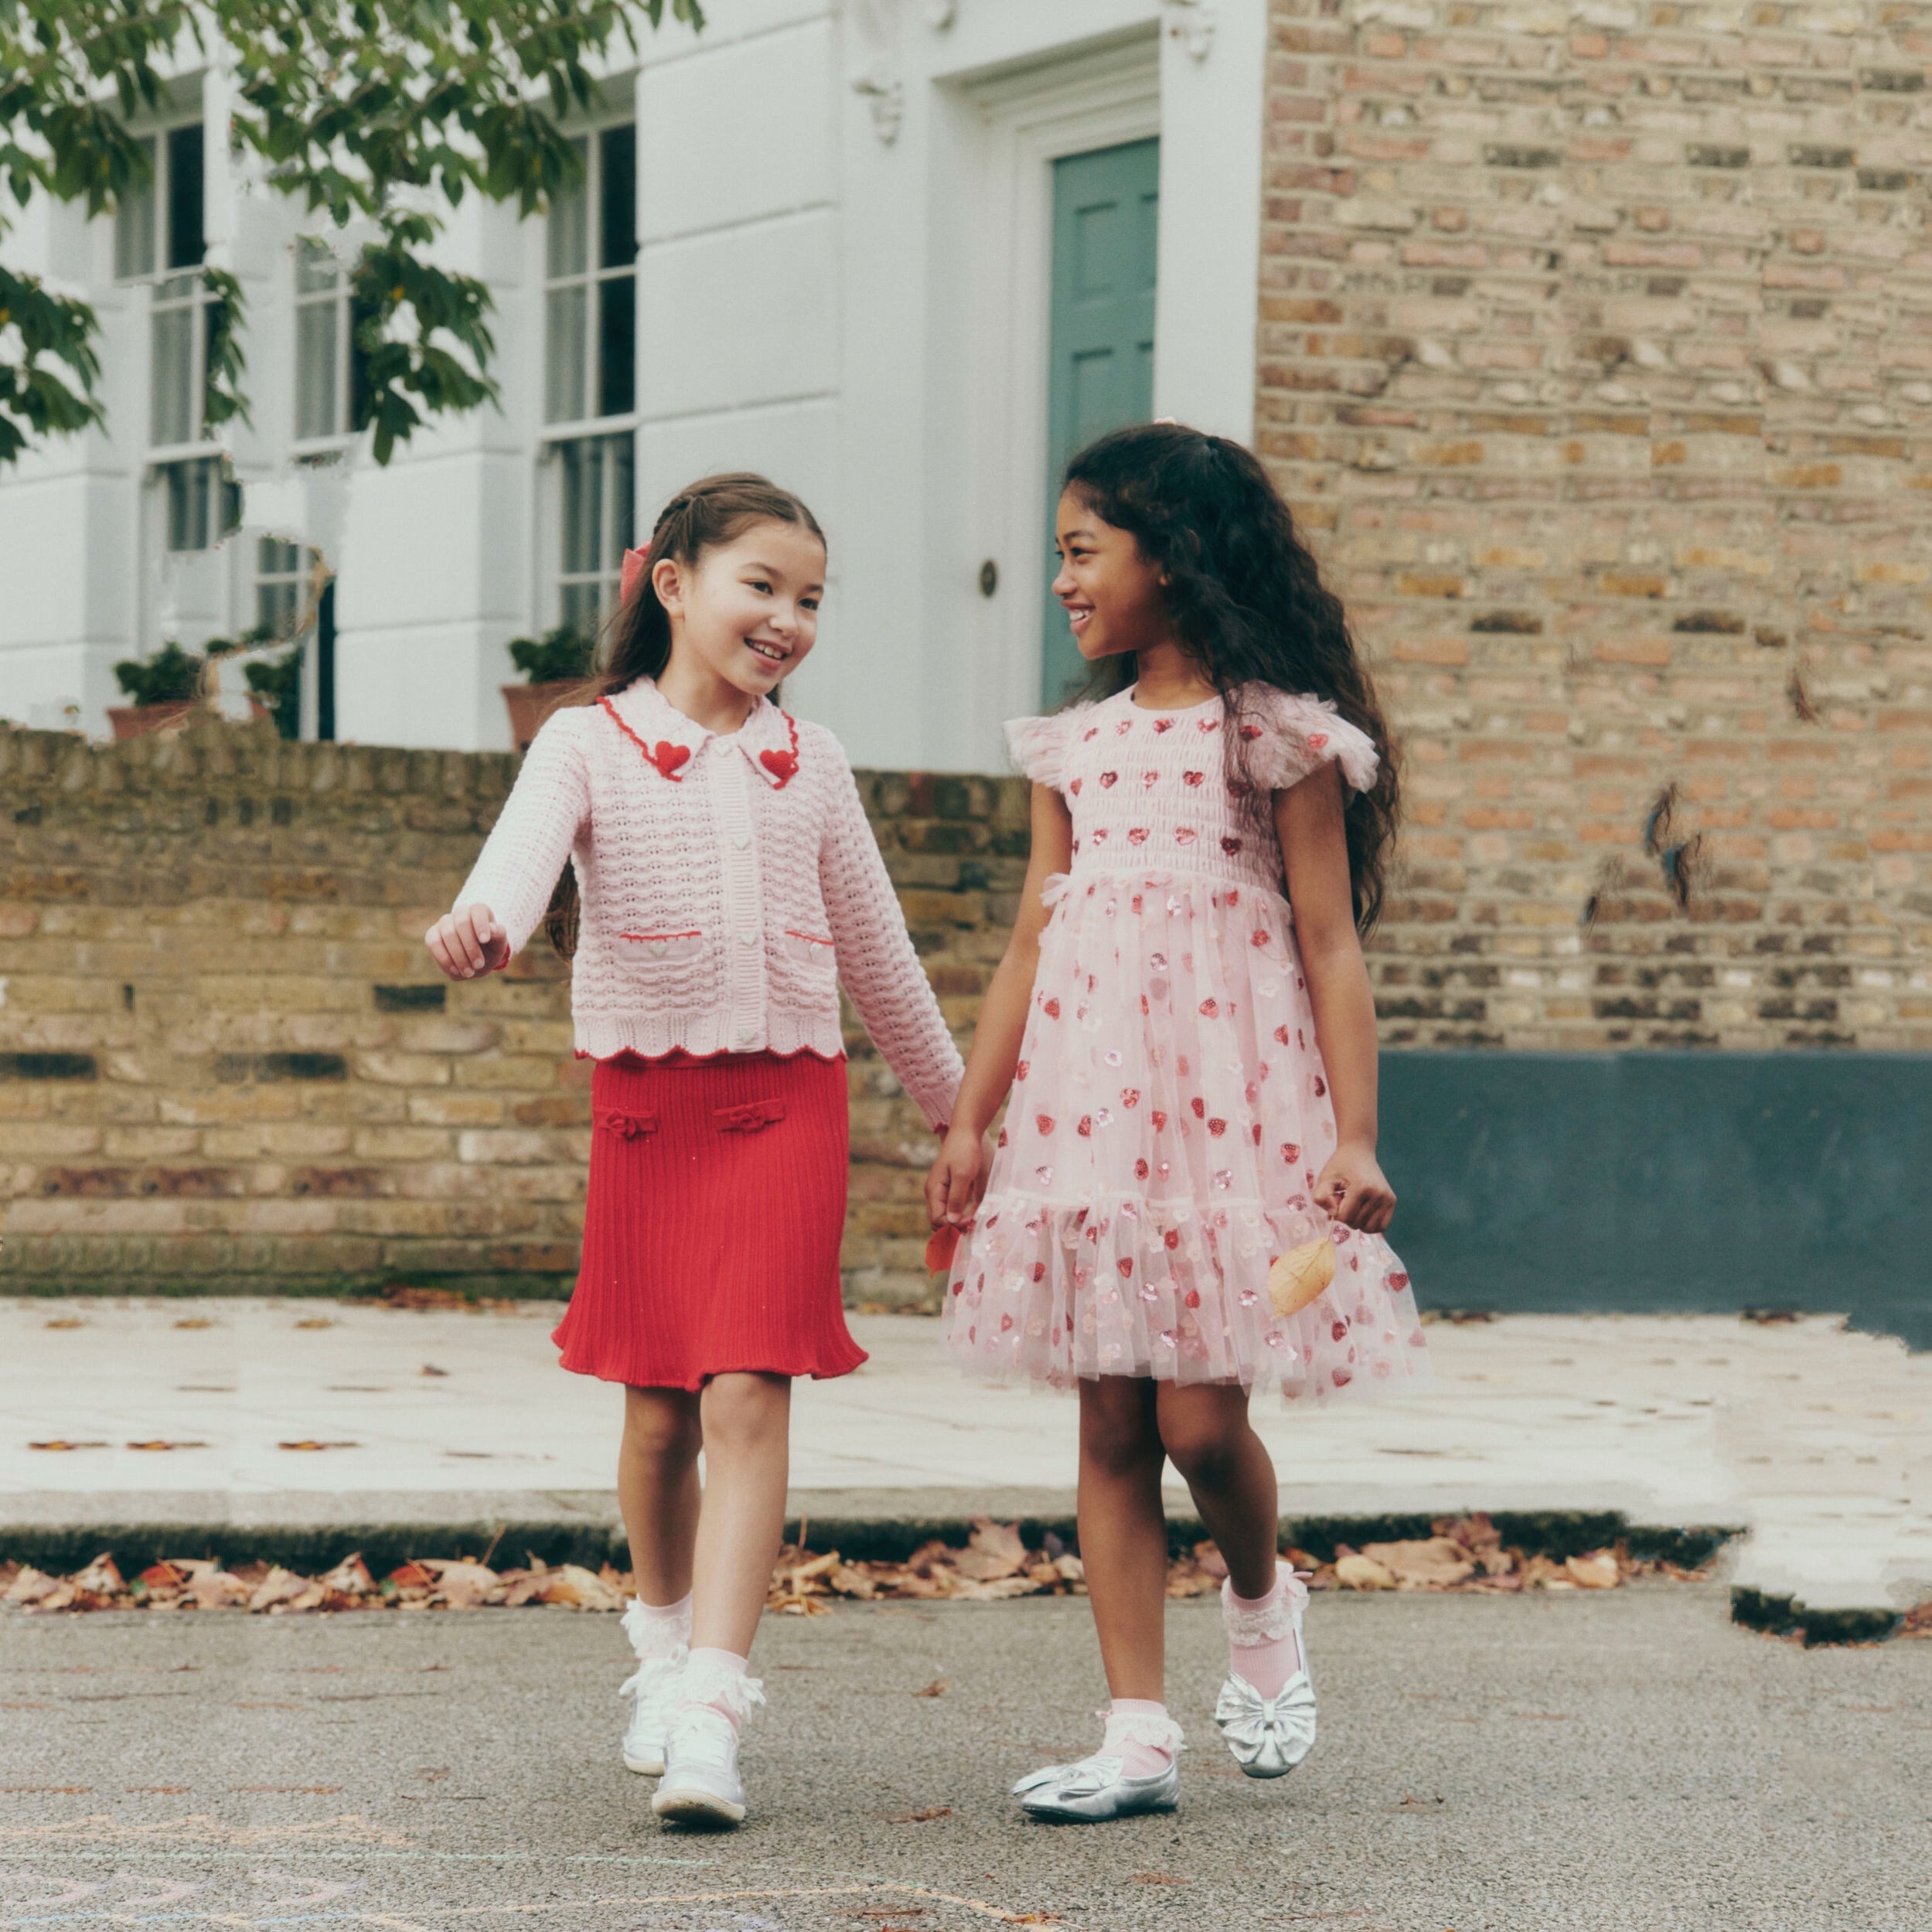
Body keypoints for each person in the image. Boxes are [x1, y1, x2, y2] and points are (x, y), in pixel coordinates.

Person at [427, 474, 962, 1829]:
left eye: (811, 601)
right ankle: (660, 1656)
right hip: (648, 1112)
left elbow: (884, 959)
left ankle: (716, 1710)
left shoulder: (815, 763)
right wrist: (481, 924)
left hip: (790, 1106)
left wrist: (963, 1114)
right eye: (762, 588)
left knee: (745, 1394)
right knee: (658, 1412)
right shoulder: (586, 743)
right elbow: (517, 865)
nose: (787, 620)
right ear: (672, 584)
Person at [925, 422, 1429, 1822]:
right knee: (1106, 1419)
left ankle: (1264, 1601)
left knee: (1204, 1424)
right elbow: (1030, 944)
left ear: (1175, 553)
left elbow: (1329, 943)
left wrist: (1355, 1137)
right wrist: (973, 1124)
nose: (1062, 583)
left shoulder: (1275, 733)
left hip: (1232, 1113)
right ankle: (1135, 1732)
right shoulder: (1073, 746)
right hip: (1086, 1117)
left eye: (1084, 553)